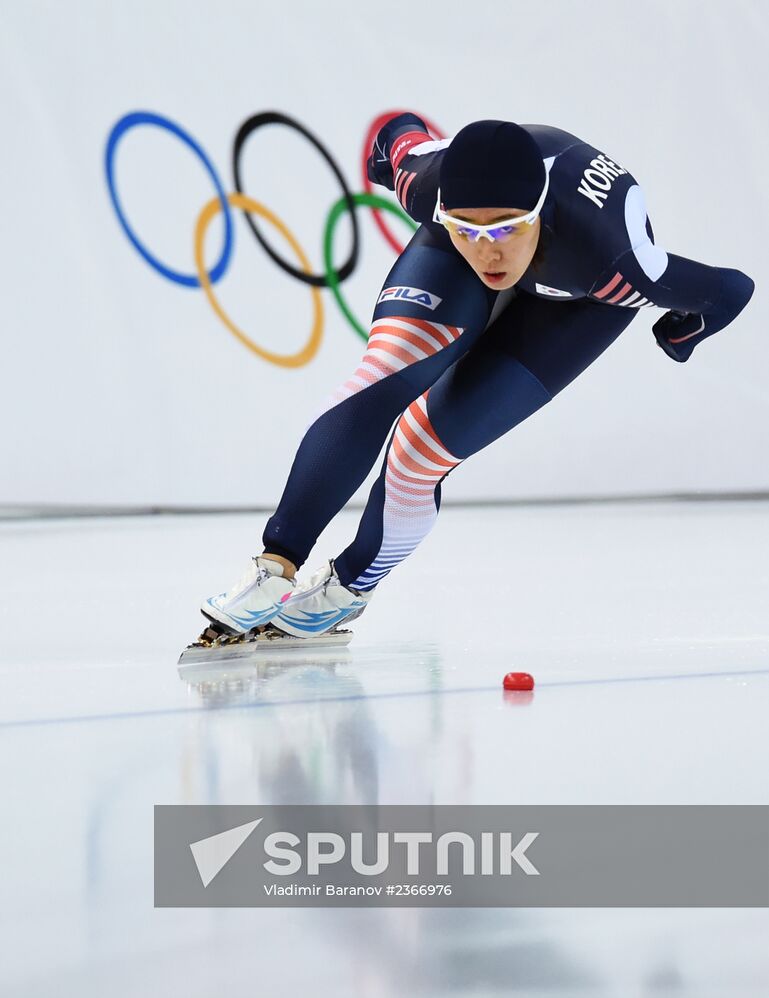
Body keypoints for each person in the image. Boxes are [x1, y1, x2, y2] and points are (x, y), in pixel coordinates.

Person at [199, 114, 755, 639]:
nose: (488, 250)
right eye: (468, 227)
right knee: (383, 374)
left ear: (537, 212)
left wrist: (682, 334)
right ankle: (275, 567)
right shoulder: (425, 184)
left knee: (420, 451)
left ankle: (349, 587)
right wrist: (400, 174)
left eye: (506, 229)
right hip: (459, 254)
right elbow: (398, 137)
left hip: (579, 292)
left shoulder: (619, 261)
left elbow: (732, 291)